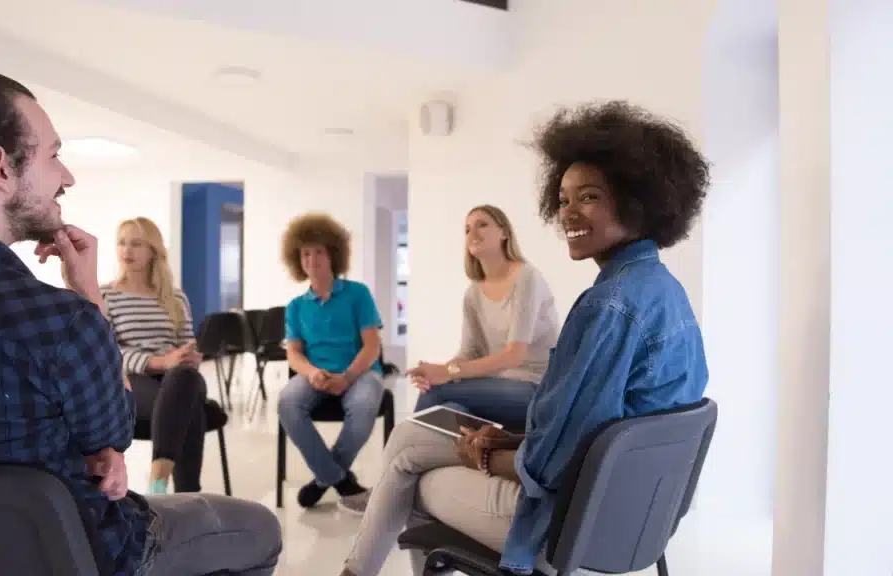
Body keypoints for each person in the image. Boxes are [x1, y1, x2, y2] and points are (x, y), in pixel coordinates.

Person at [0, 63, 280, 576]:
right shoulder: (60, 321)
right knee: (258, 529)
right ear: (0, 167)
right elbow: (112, 433)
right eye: (54, 154)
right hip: (80, 554)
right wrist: (89, 297)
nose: (67, 176)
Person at [339, 100, 711, 576]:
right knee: (410, 440)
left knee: (410, 474)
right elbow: (599, 429)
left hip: (568, 523)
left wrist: (488, 455)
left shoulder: (606, 306)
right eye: (562, 199)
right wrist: (508, 437)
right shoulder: (664, 292)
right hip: (637, 518)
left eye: (590, 196)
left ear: (639, 200)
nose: (568, 212)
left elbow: (554, 465)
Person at [407, 205, 558, 432]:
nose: (473, 233)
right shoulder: (473, 294)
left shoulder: (527, 278)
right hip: (500, 386)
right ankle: (460, 453)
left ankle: (404, 458)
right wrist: (437, 371)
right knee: (448, 405)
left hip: (536, 389)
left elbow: (514, 356)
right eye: (467, 229)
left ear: (504, 233)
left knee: (439, 393)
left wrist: (447, 374)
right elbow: (469, 353)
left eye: (482, 224)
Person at [278, 212, 384, 508]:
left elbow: (372, 346)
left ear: (333, 255)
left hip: (360, 372)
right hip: (316, 374)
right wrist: (311, 373)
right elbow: (294, 353)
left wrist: (348, 377)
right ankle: (338, 478)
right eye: (305, 254)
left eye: (319, 252)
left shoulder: (358, 294)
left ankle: (323, 479)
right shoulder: (296, 307)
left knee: (363, 405)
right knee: (287, 401)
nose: (312, 260)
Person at [101, 217, 212, 495]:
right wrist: (160, 362)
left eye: (136, 244)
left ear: (153, 250)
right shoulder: (107, 296)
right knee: (190, 410)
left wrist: (189, 356)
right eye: (122, 243)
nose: (127, 250)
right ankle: (185, 493)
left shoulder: (176, 298)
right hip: (133, 378)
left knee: (184, 379)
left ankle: (160, 484)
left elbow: (186, 343)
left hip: (179, 376)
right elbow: (108, 352)